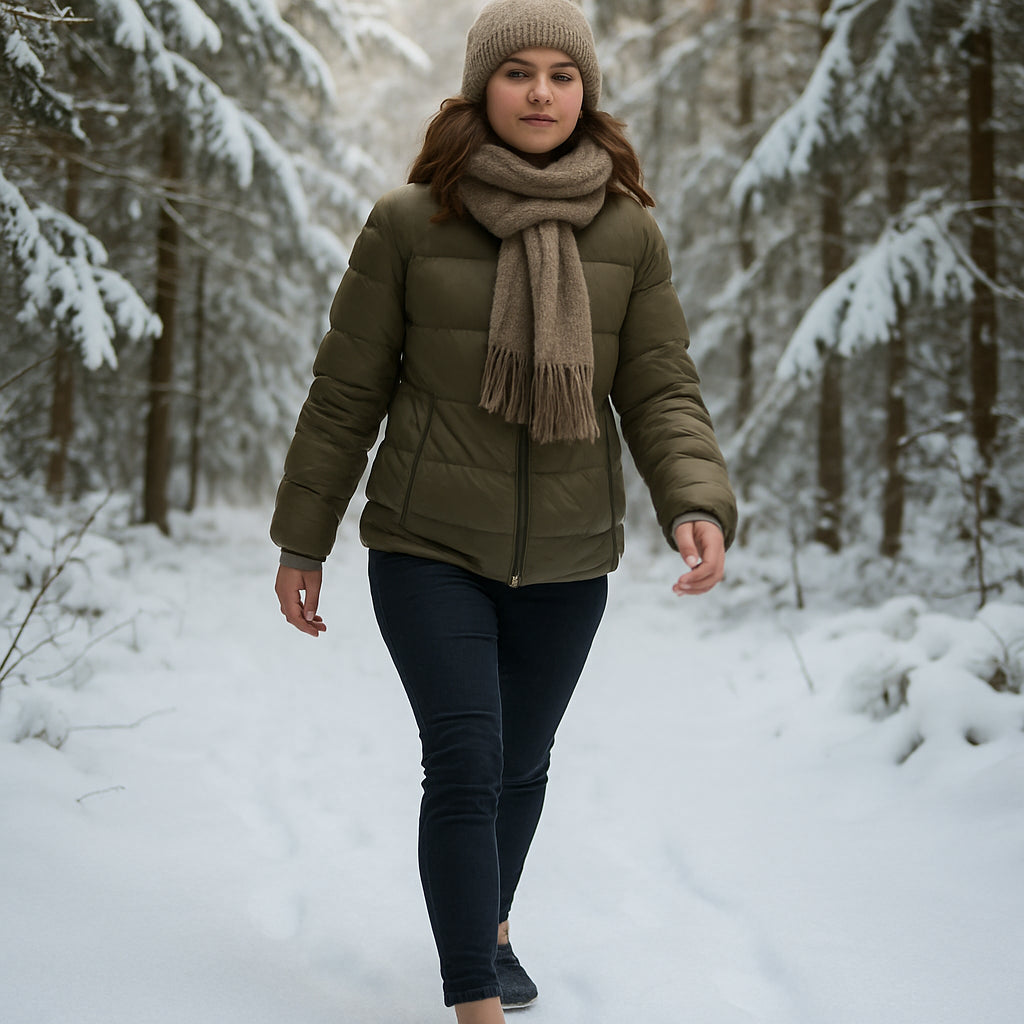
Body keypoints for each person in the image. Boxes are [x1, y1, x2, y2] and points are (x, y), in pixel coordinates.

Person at [272, 1, 737, 1020]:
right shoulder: (409, 222)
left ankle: (489, 925)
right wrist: (303, 537)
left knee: (521, 765)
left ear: (585, 92)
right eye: (517, 71)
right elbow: (345, 392)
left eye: (561, 75)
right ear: (481, 86)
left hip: (568, 555)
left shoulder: (628, 231)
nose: (540, 92)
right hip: (427, 543)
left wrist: (694, 498)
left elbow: (660, 387)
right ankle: (474, 997)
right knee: (468, 762)